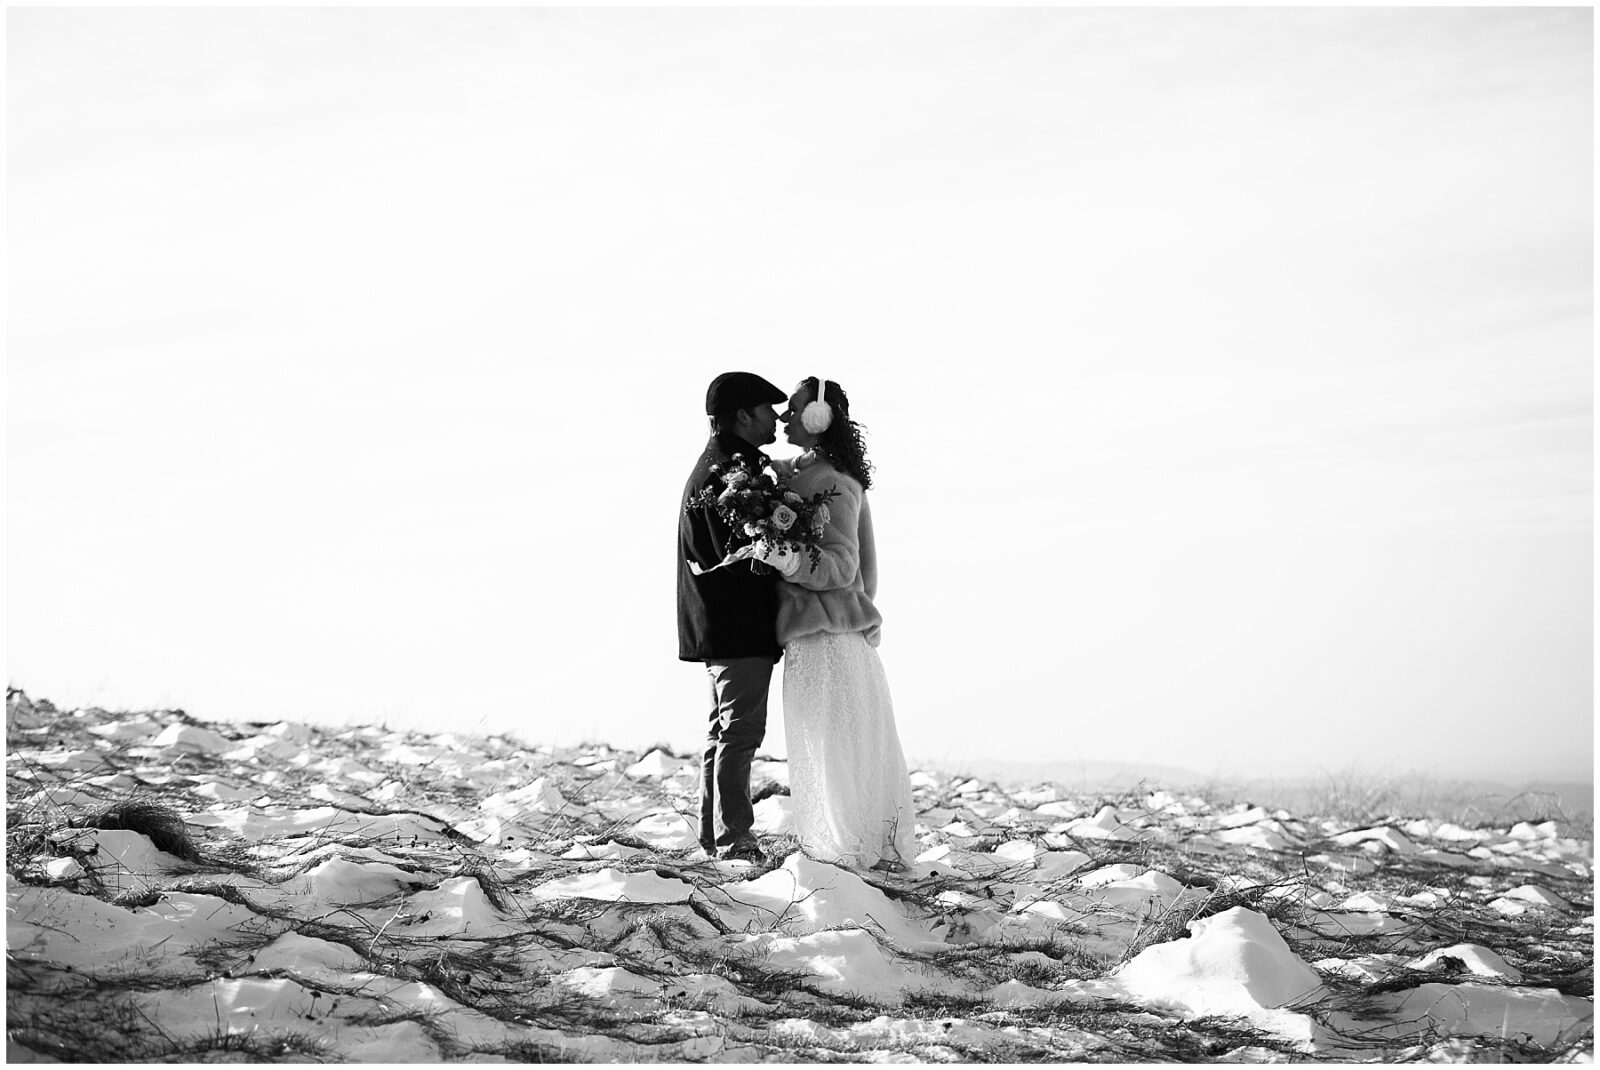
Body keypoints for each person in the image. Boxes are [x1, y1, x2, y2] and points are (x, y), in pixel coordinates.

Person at [753, 377, 917, 872]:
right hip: (809, 636)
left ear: (819, 418)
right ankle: (842, 847)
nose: (784, 418)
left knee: (836, 748)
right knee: (821, 747)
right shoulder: (801, 472)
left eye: (795, 409)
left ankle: (850, 851)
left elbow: (842, 567)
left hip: (828, 636)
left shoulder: (834, 484)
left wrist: (785, 557)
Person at [678, 371, 788, 863]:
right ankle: (735, 840)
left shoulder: (723, 464)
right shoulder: (728, 474)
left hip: (719, 622)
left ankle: (714, 835)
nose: (777, 417)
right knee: (741, 734)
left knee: (723, 732)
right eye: (768, 410)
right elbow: (736, 552)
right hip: (735, 622)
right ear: (743, 415)